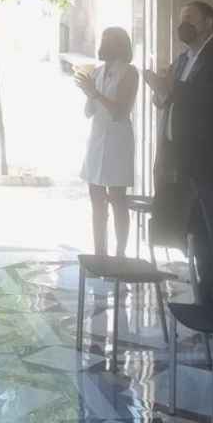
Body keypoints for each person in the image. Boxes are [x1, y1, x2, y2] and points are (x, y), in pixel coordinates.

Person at [145, 1, 213, 308]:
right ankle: (206, 295)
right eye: (180, 19)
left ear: (208, 22)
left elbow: (211, 99)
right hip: (185, 162)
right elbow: (170, 99)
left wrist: (172, 88)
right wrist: (160, 91)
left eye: (189, 18)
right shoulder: (182, 60)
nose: (183, 24)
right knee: (197, 236)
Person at [74, 26, 139, 258]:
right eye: (102, 39)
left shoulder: (130, 72)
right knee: (96, 197)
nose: (103, 44)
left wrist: (96, 93)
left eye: (108, 40)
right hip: (97, 138)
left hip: (118, 141)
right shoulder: (98, 71)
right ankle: (99, 253)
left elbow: (120, 112)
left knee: (118, 198)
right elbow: (88, 112)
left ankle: (120, 255)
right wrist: (88, 93)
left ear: (120, 45)